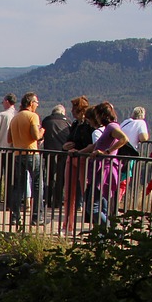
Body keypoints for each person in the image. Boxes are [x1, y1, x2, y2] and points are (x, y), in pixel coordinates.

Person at [8, 92, 45, 226]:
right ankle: (37, 217)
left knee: (18, 187)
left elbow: (9, 139)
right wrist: (42, 132)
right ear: (30, 103)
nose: (37, 105)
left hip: (18, 154)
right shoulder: (33, 116)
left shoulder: (15, 118)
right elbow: (35, 136)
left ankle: (15, 216)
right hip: (31, 153)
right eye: (36, 103)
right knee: (37, 184)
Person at [89, 102, 128, 224]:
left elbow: (124, 139)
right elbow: (95, 145)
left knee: (93, 207)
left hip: (105, 169)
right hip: (103, 168)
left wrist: (107, 152)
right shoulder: (109, 128)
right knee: (101, 204)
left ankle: (111, 230)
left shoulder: (112, 127)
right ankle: (104, 234)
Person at [61, 96, 94, 230]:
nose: (72, 111)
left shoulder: (89, 126)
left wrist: (79, 151)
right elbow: (68, 140)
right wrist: (65, 147)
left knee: (85, 190)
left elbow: (92, 144)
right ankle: (68, 224)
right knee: (69, 192)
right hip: (72, 157)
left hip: (83, 159)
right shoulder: (75, 124)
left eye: (75, 109)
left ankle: (90, 224)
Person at [42, 103, 72, 213]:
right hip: (62, 153)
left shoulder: (46, 121)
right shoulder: (67, 122)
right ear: (63, 112)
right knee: (60, 178)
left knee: (49, 177)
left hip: (48, 152)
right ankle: (58, 201)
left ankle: (48, 200)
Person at [118, 106, 150, 208]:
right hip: (129, 153)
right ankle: (115, 204)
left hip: (118, 152)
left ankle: (112, 202)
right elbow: (143, 137)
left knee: (117, 178)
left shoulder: (125, 122)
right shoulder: (141, 123)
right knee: (124, 179)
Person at [0, 93, 18, 211]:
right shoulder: (17, 115)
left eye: (3, 101)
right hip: (13, 150)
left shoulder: (0, 115)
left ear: (7, 101)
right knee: (10, 177)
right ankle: (9, 203)